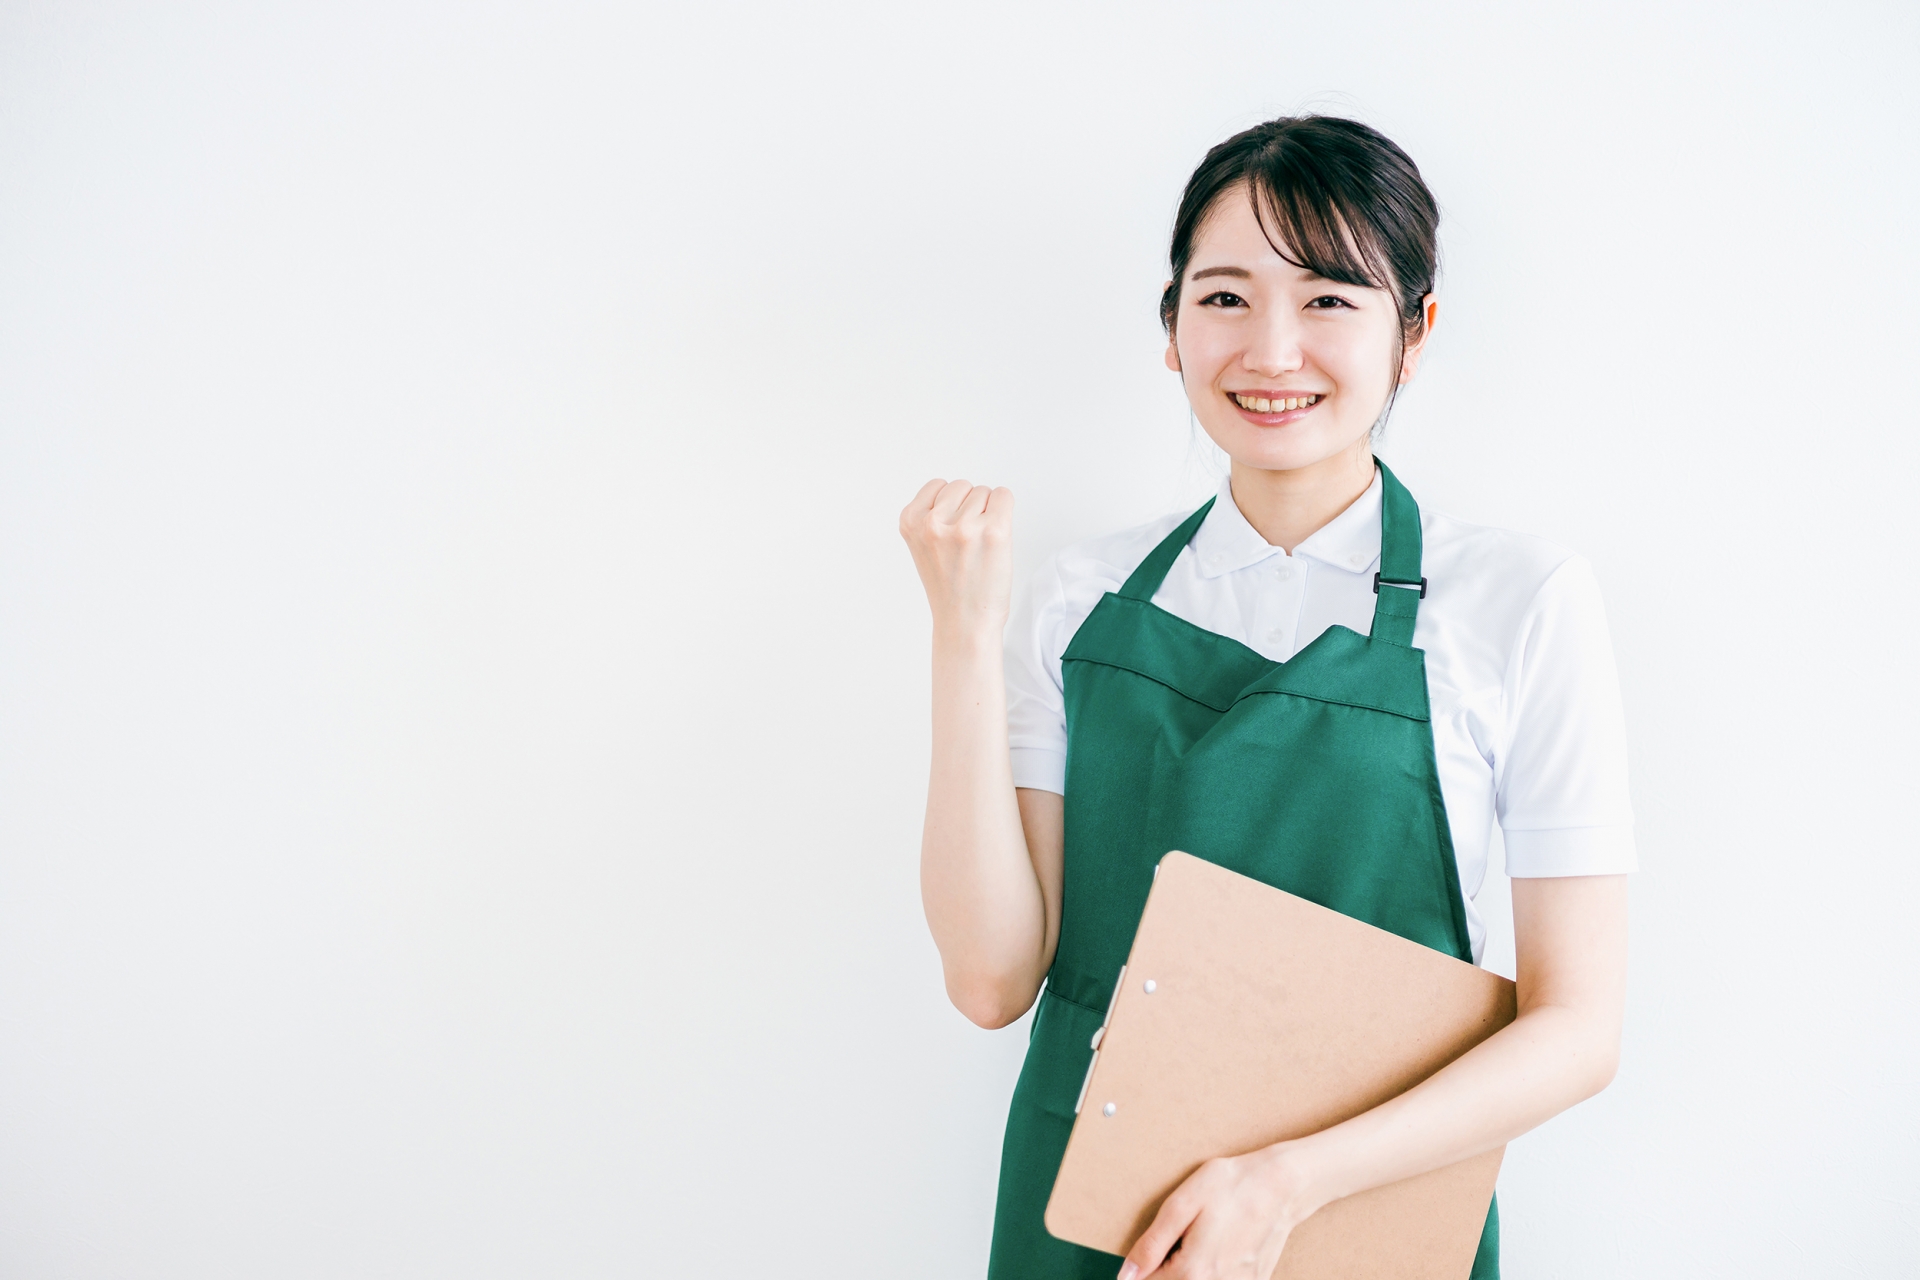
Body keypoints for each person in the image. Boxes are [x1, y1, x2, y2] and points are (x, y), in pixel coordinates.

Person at [898, 115, 1633, 1280]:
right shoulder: (1074, 597)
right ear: (1173, 328)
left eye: (1332, 298)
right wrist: (962, 635)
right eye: (1226, 298)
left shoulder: (1517, 602)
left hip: (1374, 1207)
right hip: (1093, 1206)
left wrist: (1287, 1182)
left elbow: (1577, 1026)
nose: (1272, 348)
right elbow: (992, 978)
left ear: (1415, 333)